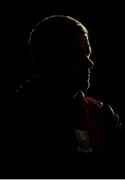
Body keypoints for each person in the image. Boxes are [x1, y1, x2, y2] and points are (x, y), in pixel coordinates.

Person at [6, 15, 124, 178]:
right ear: (47, 59)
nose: (89, 63)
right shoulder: (17, 117)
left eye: (88, 54)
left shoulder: (103, 115)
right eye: (76, 54)